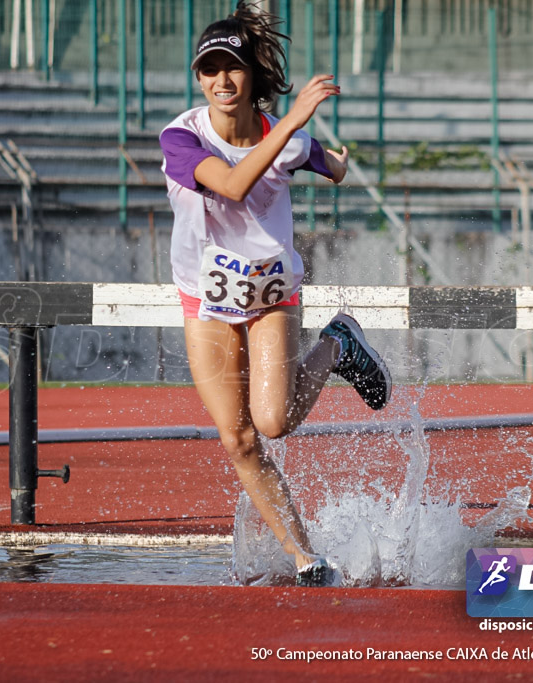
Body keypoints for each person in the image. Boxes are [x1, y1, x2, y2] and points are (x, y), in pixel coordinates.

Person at [159, 2, 391, 587]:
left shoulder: (290, 143)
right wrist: (292, 123)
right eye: (208, 70)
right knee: (239, 440)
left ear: (251, 76)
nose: (221, 81)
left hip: (270, 294)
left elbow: (333, 169)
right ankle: (306, 559)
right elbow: (234, 186)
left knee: (273, 422)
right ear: (198, 78)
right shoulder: (181, 139)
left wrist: (335, 160)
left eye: (231, 69)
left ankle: (337, 343)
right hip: (206, 299)